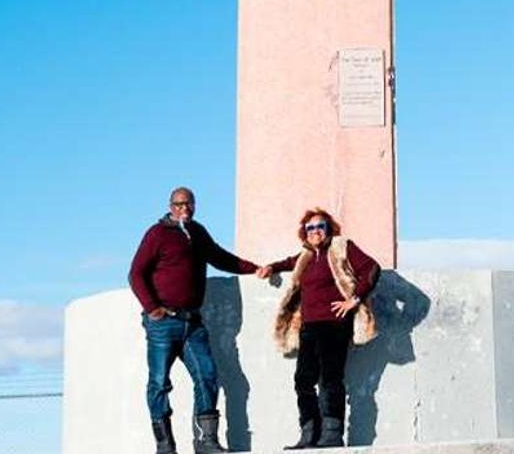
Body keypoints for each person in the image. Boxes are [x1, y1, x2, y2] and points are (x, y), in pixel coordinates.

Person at [130, 187, 263, 454]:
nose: (185, 209)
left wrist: (255, 268)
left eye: (189, 204)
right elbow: (136, 274)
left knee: (207, 375)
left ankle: (206, 441)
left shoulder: (198, 233)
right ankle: (165, 445)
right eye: (179, 204)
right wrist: (152, 308)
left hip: (193, 323)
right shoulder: (157, 234)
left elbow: (220, 258)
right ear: (170, 206)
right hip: (162, 323)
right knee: (159, 382)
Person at [257, 209, 379, 448]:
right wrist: (270, 267)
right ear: (305, 232)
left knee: (330, 379)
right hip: (309, 326)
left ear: (329, 228)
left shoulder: (341, 247)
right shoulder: (305, 256)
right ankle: (309, 434)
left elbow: (371, 269)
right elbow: (288, 263)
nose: (315, 231)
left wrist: (354, 299)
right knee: (303, 380)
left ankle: (332, 435)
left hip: (334, 325)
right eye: (310, 228)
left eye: (320, 226)